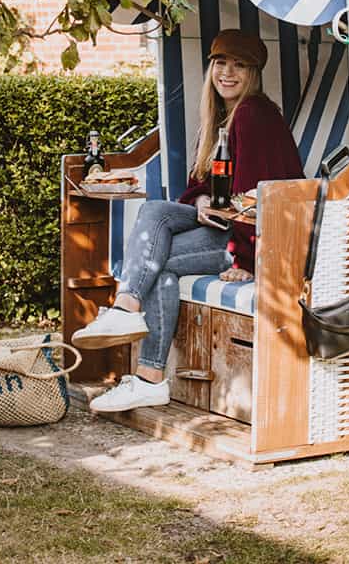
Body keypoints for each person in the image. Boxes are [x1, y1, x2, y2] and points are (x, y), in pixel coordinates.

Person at [72, 29, 304, 413]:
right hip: (221, 226)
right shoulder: (220, 118)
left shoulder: (253, 114)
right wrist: (198, 201)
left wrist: (245, 260)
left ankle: (126, 316)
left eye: (239, 65)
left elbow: (257, 199)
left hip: (253, 237)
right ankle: (146, 371)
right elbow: (199, 186)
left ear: (254, 73)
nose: (227, 73)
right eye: (220, 63)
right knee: (155, 219)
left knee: (155, 260)